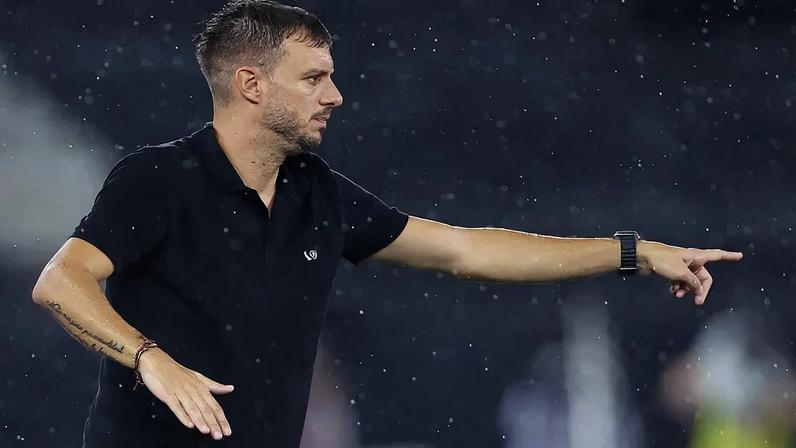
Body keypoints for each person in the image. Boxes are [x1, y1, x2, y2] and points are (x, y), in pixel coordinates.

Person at [30, 1, 744, 446]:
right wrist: (150, 359)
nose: (335, 95)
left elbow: (467, 251)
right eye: (313, 77)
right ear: (250, 84)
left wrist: (631, 252)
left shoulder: (318, 195)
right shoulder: (159, 179)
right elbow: (61, 281)